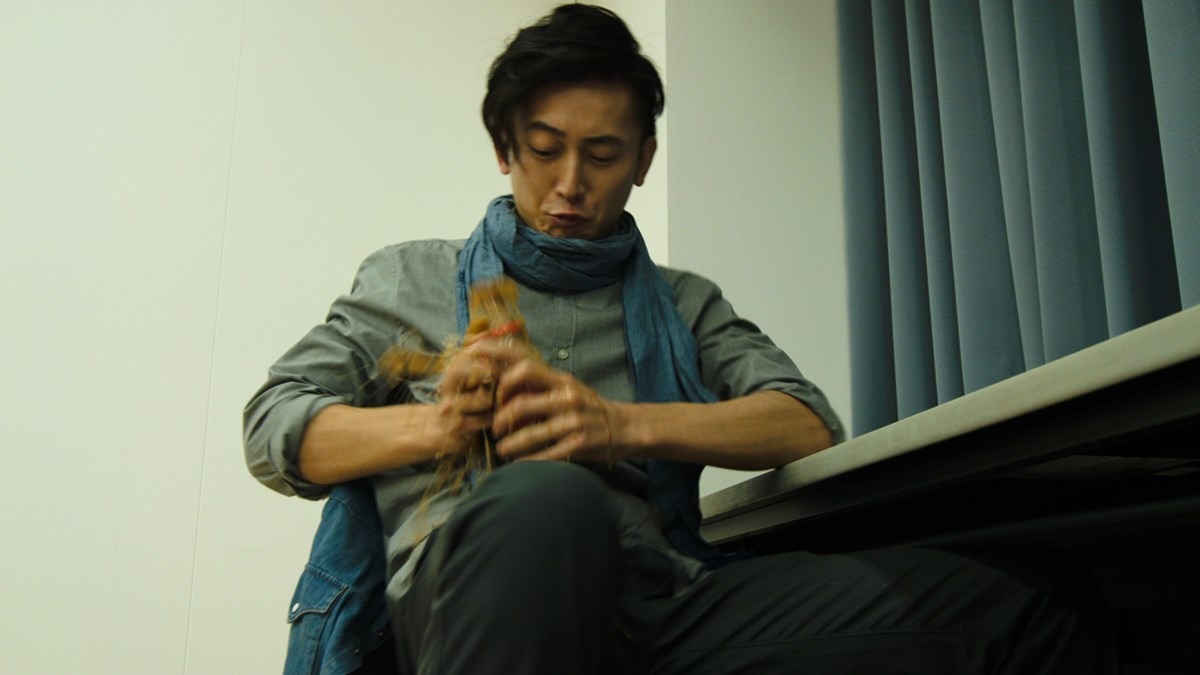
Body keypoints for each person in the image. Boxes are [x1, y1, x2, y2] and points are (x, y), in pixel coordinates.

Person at [245, 5, 1116, 674]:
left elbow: (804, 422)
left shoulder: (682, 303)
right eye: (544, 149)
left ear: (644, 160)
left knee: (1028, 602)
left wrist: (619, 424)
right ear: (505, 148)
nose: (570, 183)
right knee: (549, 502)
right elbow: (273, 422)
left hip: (660, 602)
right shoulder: (410, 278)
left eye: (602, 154)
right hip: (468, 604)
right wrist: (436, 424)